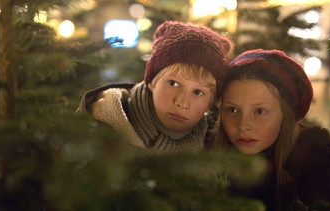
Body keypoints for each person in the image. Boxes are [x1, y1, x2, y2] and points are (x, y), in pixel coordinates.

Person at [215, 49, 330, 210]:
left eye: (259, 111)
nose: (243, 125)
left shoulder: (311, 166)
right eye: (232, 110)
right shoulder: (204, 154)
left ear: (285, 114)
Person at [76, 21, 231, 153]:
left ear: (211, 103)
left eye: (198, 92)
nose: (182, 102)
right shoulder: (99, 125)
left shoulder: (214, 148)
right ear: (152, 82)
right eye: (173, 83)